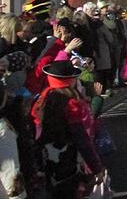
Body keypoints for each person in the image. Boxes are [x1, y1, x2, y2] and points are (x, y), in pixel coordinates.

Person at [31, 60, 104, 199]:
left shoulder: (42, 98)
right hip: (66, 161)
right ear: (71, 80)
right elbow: (82, 139)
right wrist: (96, 167)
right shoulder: (71, 104)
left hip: (42, 158)